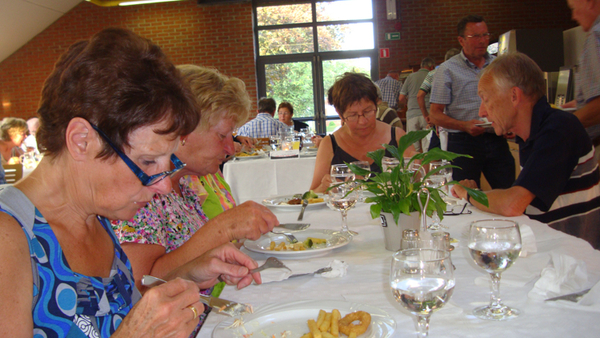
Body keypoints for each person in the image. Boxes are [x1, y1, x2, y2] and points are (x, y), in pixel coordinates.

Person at [0, 28, 261, 338]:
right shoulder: (10, 239)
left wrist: (189, 272)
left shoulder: (95, 214)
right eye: (148, 162)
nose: (164, 186)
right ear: (82, 141)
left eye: (168, 163)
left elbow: (116, 308)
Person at [112, 64, 277, 291]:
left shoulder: (185, 186)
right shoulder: (144, 191)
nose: (230, 148)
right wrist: (222, 228)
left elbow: (192, 264)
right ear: (184, 129)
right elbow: (138, 286)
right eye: (222, 135)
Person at [452, 52, 600, 249]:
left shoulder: (558, 129)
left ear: (514, 96)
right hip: (550, 251)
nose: (481, 112)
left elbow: (512, 204)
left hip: (576, 263)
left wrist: (470, 193)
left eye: (485, 99)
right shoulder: (531, 133)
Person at [429, 15, 515, 189]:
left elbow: (511, 100)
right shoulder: (447, 70)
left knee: (509, 188)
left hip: (496, 139)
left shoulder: (498, 65)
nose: (482, 41)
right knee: (463, 195)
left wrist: (510, 125)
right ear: (461, 40)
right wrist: (464, 125)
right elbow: (435, 115)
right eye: (475, 36)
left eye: (485, 35)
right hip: (462, 142)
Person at [310, 72, 414, 193]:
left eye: (368, 111)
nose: (363, 121)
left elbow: (416, 182)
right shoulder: (330, 144)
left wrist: (419, 168)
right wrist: (324, 187)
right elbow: (312, 196)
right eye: (353, 115)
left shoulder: (397, 136)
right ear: (340, 114)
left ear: (377, 104)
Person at [566, 0, 600, 163]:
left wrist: (562, 126)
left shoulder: (596, 36)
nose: (573, 16)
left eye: (573, 8)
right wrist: (579, 102)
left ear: (590, 3)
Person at [417, 48, 461, 151]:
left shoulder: (433, 73)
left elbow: (420, 95)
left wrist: (427, 116)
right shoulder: (465, 73)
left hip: (441, 118)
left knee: (435, 151)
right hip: (461, 121)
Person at [399, 57, 436, 152]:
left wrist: (407, 104)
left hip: (412, 114)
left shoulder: (410, 77)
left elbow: (401, 98)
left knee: (413, 147)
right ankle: (426, 166)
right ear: (432, 67)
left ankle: (414, 166)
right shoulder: (433, 75)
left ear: (421, 66)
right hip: (428, 114)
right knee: (427, 145)